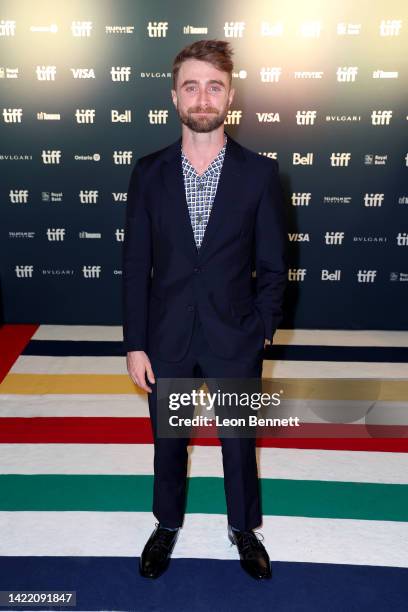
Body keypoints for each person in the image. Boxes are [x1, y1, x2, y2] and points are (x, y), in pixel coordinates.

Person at [122, 39, 288, 580]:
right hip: (167, 333)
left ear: (230, 96)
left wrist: (262, 329)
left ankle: (244, 528)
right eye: (191, 85)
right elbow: (135, 265)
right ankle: (166, 523)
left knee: (239, 444)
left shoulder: (260, 174)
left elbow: (273, 265)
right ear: (174, 96)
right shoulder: (148, 173)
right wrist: (135, 342)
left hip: (234, 333)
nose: (202, 97)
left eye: (213, 86)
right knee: (169, 440)